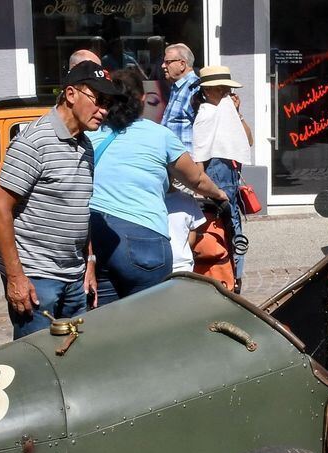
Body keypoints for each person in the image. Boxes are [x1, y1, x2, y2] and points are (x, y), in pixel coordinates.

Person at [0, 60, 119, 339]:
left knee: (73, 357)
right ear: (71, 94)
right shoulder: (33, 142)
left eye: (108, 102)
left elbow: (80, 210)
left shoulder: (85, 146)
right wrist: (16, 277)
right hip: (36, 277)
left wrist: (90, 262)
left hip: (74, 276)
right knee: (36, 364)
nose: (104, 110)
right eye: (98, 100)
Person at [85, 69, 229, 304]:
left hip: (98, 236)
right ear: (143, 99)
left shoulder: (90, 136)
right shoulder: (160, 136)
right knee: (150, 321)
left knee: (107, 325)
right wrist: (220, 194)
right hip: (144, 237)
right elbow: (196, 179)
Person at [192, 65, 254, 291]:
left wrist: (238, 112)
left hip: (229, 175)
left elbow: (248, 139)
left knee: (233, 226)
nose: (228, 94)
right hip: (217, 176)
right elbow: (200, 152)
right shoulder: (207, 114)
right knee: (226, 226)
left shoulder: (226, 113)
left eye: (228, 89)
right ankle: (229, 274)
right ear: (209, 90)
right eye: (223, 89)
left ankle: (234, 274)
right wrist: (198, 185)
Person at [162, 43, 202, 152]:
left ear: (182, 64)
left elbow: (204, 130)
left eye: (167, 62)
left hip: (188, 160)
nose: (163, 66)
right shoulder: (177, 87)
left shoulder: (195, 89)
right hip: (174, 160)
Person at [165, 185, 207, 274]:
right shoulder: (187, 199)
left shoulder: (144, 200)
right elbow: (191, 237)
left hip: (153, 265)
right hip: (182, 264)